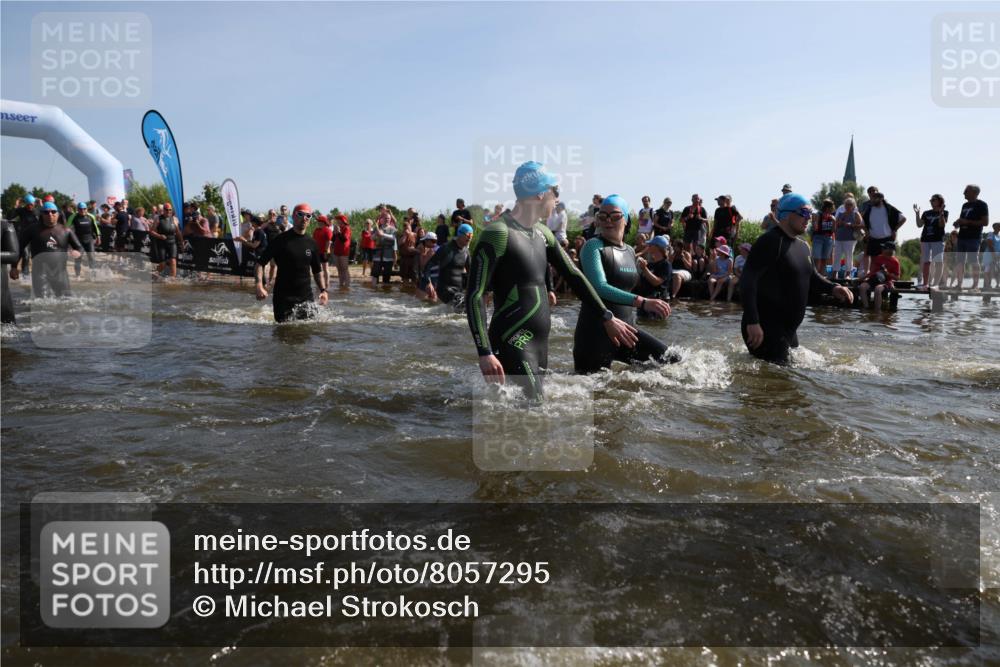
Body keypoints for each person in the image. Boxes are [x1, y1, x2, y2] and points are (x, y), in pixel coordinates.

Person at [467, 162, 637, 400]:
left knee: (531, 411)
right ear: (539, 193)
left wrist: (606, 316)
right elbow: (475, 295)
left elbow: (574, 276)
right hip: (512, 339)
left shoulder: (543, 233)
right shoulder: (497, 233)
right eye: (554, 191)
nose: (557, 199)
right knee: (534, 408)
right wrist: (484, 352)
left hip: (540, 343)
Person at [740, 192, 854, 364]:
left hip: (788, 330)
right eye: (804, 212)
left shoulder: (803, 246)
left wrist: (833, 287)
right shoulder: (770, 241)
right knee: (779, 377)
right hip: (764, 326)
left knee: (793, 373)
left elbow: (812, 276)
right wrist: (752, 322)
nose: (809, 218)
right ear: (787, 214)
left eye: (810, 213)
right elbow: (748, 281)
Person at [574, 194, 674, 373]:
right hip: (595, 335)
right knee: (594, 389)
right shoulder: (593, 247)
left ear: (626, 219)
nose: (608, 220)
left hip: (626, 332)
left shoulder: (629, 251)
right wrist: (643, 302)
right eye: (603, 216)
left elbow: (630, 286)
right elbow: (600, 287)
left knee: (672, 361)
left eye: (615, 216)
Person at [254, 203, 328, 322]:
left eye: (308, 216)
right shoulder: (280, 240)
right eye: (300, 214)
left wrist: (323, 290)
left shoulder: (312, 243)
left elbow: (317, 271)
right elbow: (260, 264)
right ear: (293, 216)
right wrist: (259, 285)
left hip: (306, 299)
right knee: (284, 331)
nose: (304, 218)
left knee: (308, 330)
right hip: (283, 299)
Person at [11, 201, 83, 297]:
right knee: (41, 301)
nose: (50, 214)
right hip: (40, 273)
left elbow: (79, 247)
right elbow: (19, 248)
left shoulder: (66, 231)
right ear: (42, 214)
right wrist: (14, 267)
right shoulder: (32, 229)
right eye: (46, 212)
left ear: (58, 214)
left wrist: (77, 252)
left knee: (66, 300)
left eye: (53, 212)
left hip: (61, 273)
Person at [419, 223, 472, 305]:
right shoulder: (446, 248)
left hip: (459, 290)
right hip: (445, 289)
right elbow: (428, 266)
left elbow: (471, 273)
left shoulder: (466, 252)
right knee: (461, 305)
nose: (470, 238)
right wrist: (428, 282)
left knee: (467, 306)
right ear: (460, 234)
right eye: (468, 236)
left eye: (471, 236)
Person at [861, 189, 905, 276]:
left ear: (881, 199)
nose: (873, 200)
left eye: (875, 198)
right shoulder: (869, 209)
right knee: (874, 260)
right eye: (872, 198)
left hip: (886, 239)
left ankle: (888, 278)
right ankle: (873, 277)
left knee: (888, 260)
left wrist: (895, 229)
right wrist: (867, 232)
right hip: (873, 238)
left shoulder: (889, 209)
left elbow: (903, 219)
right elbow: (863, 223)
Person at [952, 185, 989, 290]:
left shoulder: (982, 205)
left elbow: (985, 222)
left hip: (974, 237)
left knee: (973, 260)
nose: (964, 193)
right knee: (959, 261)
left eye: (966, 191)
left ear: (974, 192)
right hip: (962, 237)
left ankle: (975, 285)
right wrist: (957, 223)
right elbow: (962, 219)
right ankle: (959, 284)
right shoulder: (965, 205)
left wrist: (967, 222)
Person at [915, 194, 949, 288]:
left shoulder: (945, 212)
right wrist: (917, 214)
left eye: (933, 200)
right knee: (926, 262)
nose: (931, 201)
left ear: (939, 201)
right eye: (931, 200)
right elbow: (919, 225)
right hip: (925, 239)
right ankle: (925, 284)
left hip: (938, 240)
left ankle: (935, 284)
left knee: (938, 262)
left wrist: (941, 213)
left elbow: (942, 225)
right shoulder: (926, 213)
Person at [858, 241, 901, 311]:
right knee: (862, 287)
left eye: (884, 248)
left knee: (878, 289)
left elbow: (897, 278)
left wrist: (888, 274)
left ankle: (877, 311)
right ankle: (866, 308)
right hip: (874, 279)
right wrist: (863, 278)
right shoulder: (878, 258)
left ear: (890, 250)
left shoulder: (895, 262)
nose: (882, 249)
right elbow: (872, 272)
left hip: (886, 281)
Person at [634, 235, 673, 304]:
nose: (648, 246)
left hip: (658, 301)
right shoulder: (650, 264)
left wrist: (644, 269)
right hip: (644, 300)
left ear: (657, 247)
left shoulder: (666, 265)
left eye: (651, 245)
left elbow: (656, 282)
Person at [148, 202, 184, 277]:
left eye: (170, 210)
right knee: (163, 264)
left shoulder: (175, 219)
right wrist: (159, 236)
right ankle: (153, 274)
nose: (168, 211)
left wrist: (181, 242)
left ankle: (172, 280)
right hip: (162, 243)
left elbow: (178, 232)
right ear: (163, 210)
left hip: (172, 243)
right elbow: (151, 231)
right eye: (167, 210)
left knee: (173, 261)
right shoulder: (158, 218)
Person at [833, 197, 862, 278]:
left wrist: (851, 225)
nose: (848, 206)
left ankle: (848, 274)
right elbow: (836, 224)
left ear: (853, 205)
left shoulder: (856, 214)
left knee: (848, 256)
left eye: (850, 204)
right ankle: (835, 273)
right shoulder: (840, 214)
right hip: (839, 237)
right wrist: (840, 223)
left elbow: (861, 225)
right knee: (837, 255)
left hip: (850, 238)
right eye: (846, 204)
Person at [69, 201, 99, 276]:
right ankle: (78, 276)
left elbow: (96, 227)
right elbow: (67, 228)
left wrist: (98, 237)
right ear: (78, 209)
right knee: (78, 258)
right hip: (78, 241)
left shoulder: (91, 216)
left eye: (84, 209)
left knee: (92, 257)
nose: (82, 210)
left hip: (89, 240)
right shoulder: (73, 217)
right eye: (80, 209)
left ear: (87, 209)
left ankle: (93, 275)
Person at [810, 199, 836, 273]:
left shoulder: (832, 216)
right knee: (817, 258)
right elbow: (815, 228)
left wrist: (834, 221)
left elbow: (833, 231)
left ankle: (822, 275)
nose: (833, 209)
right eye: (832, 208)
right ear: (827, 208)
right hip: (818, 238)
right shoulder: (818, 214)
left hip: (828, 239)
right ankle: (815, 275)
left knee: (824, 259)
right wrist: (815, 220)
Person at [371, 213, 397, 286]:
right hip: (378, 254)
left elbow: (393, 238)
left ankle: (385, 291)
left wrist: (383, 235)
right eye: (385, 218)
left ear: (390, 219)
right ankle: (374, 289)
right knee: (375, 274)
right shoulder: (377, 228)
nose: (387, 220)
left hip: (388, 255)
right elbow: (372, 238)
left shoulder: (393, 229)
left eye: (388, 218)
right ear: (382, 219)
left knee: (386, 275)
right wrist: (376, 234)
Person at [2, 216, 19, 324]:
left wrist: (14, 267)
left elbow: (14, 255)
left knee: (7, 329)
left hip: (1, 292)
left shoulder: (4, 225)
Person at [312, 214, 334, 286]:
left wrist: (326, 251)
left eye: (320, 221)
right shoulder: (316, 230)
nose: (318, 223)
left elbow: (328, 242)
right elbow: (314, 240)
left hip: (324, 252)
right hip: (317, 252)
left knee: (325, 269)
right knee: (318, 269)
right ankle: (320, 284)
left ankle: (327, 284)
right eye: (318, 221)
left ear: (324, 222)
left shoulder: (327, 230)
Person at [332, 214, 352, 288]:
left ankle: (347, 286)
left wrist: (339, 232)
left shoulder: (347, 228)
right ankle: (341, 285)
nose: (337, 221)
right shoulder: (338, 228)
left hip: (344, 251)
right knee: (339, 269)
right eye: (337, 220)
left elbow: (344, 239)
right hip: (337, 251)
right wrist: (334, 233)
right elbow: (333, 240)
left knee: (344, 269)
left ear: (343, 221)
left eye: (339, 219)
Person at [397, 218, 418, 285]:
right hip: (404, 258)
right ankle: (405, 290)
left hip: (413, 259)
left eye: (408, 227)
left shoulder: (415, 235)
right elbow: (399, 243)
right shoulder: (401, 235)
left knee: (414, 278)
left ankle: (412, 289)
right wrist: (405, 235)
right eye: (405, 228)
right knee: (405, 277)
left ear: (410, 228)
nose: (406, 229)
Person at [983, 222, 1000, 290]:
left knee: (996, 271)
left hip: (997, 257)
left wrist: (997, 256)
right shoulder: (990, 234)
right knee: (987, 270)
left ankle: (997, 285)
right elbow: (990, 244)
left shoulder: (999, 236)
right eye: (998, 226)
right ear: (994, 227)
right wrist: (994, 255)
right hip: (989, 256)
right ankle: (987, 285)